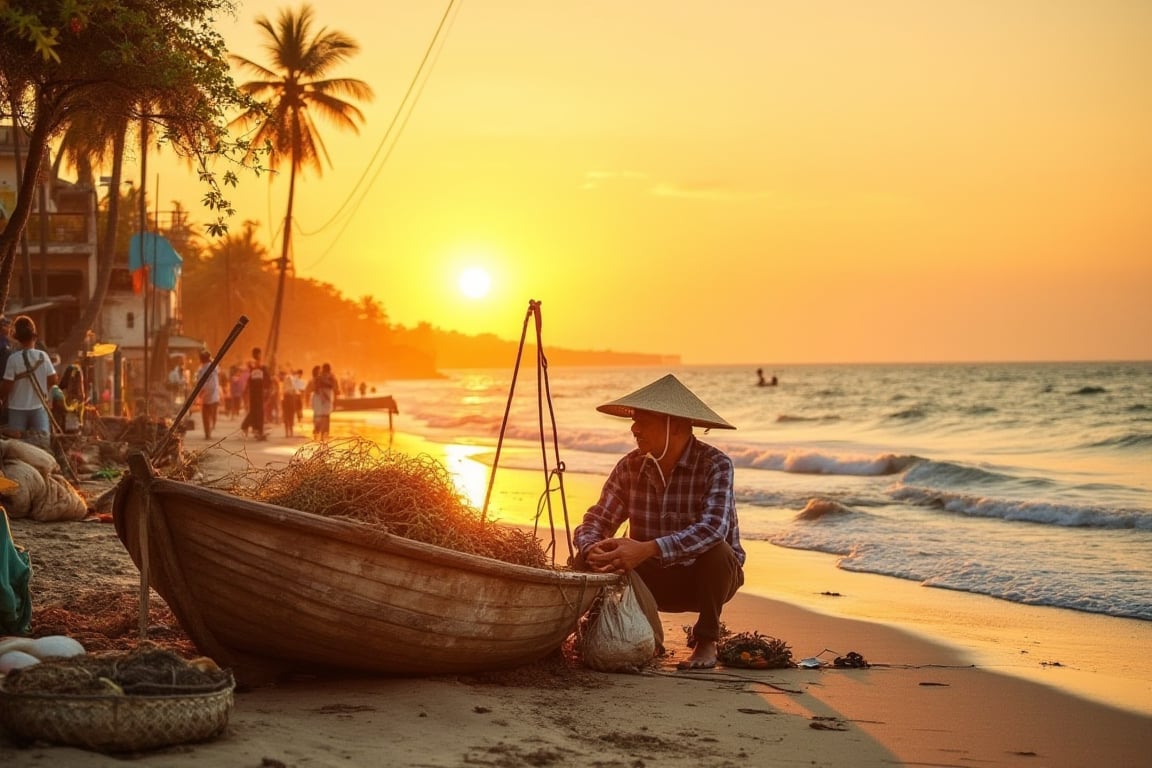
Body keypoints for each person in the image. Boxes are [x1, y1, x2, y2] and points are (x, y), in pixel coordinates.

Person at [573, 374, 745, 670]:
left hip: (704, 580)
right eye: (634, 421)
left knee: (719, 551)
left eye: (645, 421)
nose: (634, 429)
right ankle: (573, 631)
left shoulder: (716, 464)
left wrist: (648, 549)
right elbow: (596, 519)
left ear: (676, 426)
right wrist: (591, 548)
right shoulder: (630, 466)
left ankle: (706, 641)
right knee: (585, 556)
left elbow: (713, 529)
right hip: (648, 579)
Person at [0, 316, 58, 449]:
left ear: (17, 338)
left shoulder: (13, 359)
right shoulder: (43, 356)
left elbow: (6, 387)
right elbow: (54, 380)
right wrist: (42, 388)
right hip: (39, 409)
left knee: (17, 449)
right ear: (34, 337)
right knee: (43, 446)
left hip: (16, 410)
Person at [240, 347, 267, 440]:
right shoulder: (254, 365)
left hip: (256, 391)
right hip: (255, 391)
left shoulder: (257, 365)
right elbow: (251, 379)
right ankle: (257, 430)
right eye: (259, 353)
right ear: (257, 354)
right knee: (257, 411)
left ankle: (253, 428)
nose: (260, 355)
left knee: (256, 411)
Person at [194, 349, 220, 440]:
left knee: (205, 416)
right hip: (214, 395)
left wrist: (199, 395)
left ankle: (207, 433)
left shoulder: (201, 370)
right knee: (213, 414)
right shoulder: (215, 367)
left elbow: (200, 383)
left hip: (206, 395)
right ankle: (211, 428)